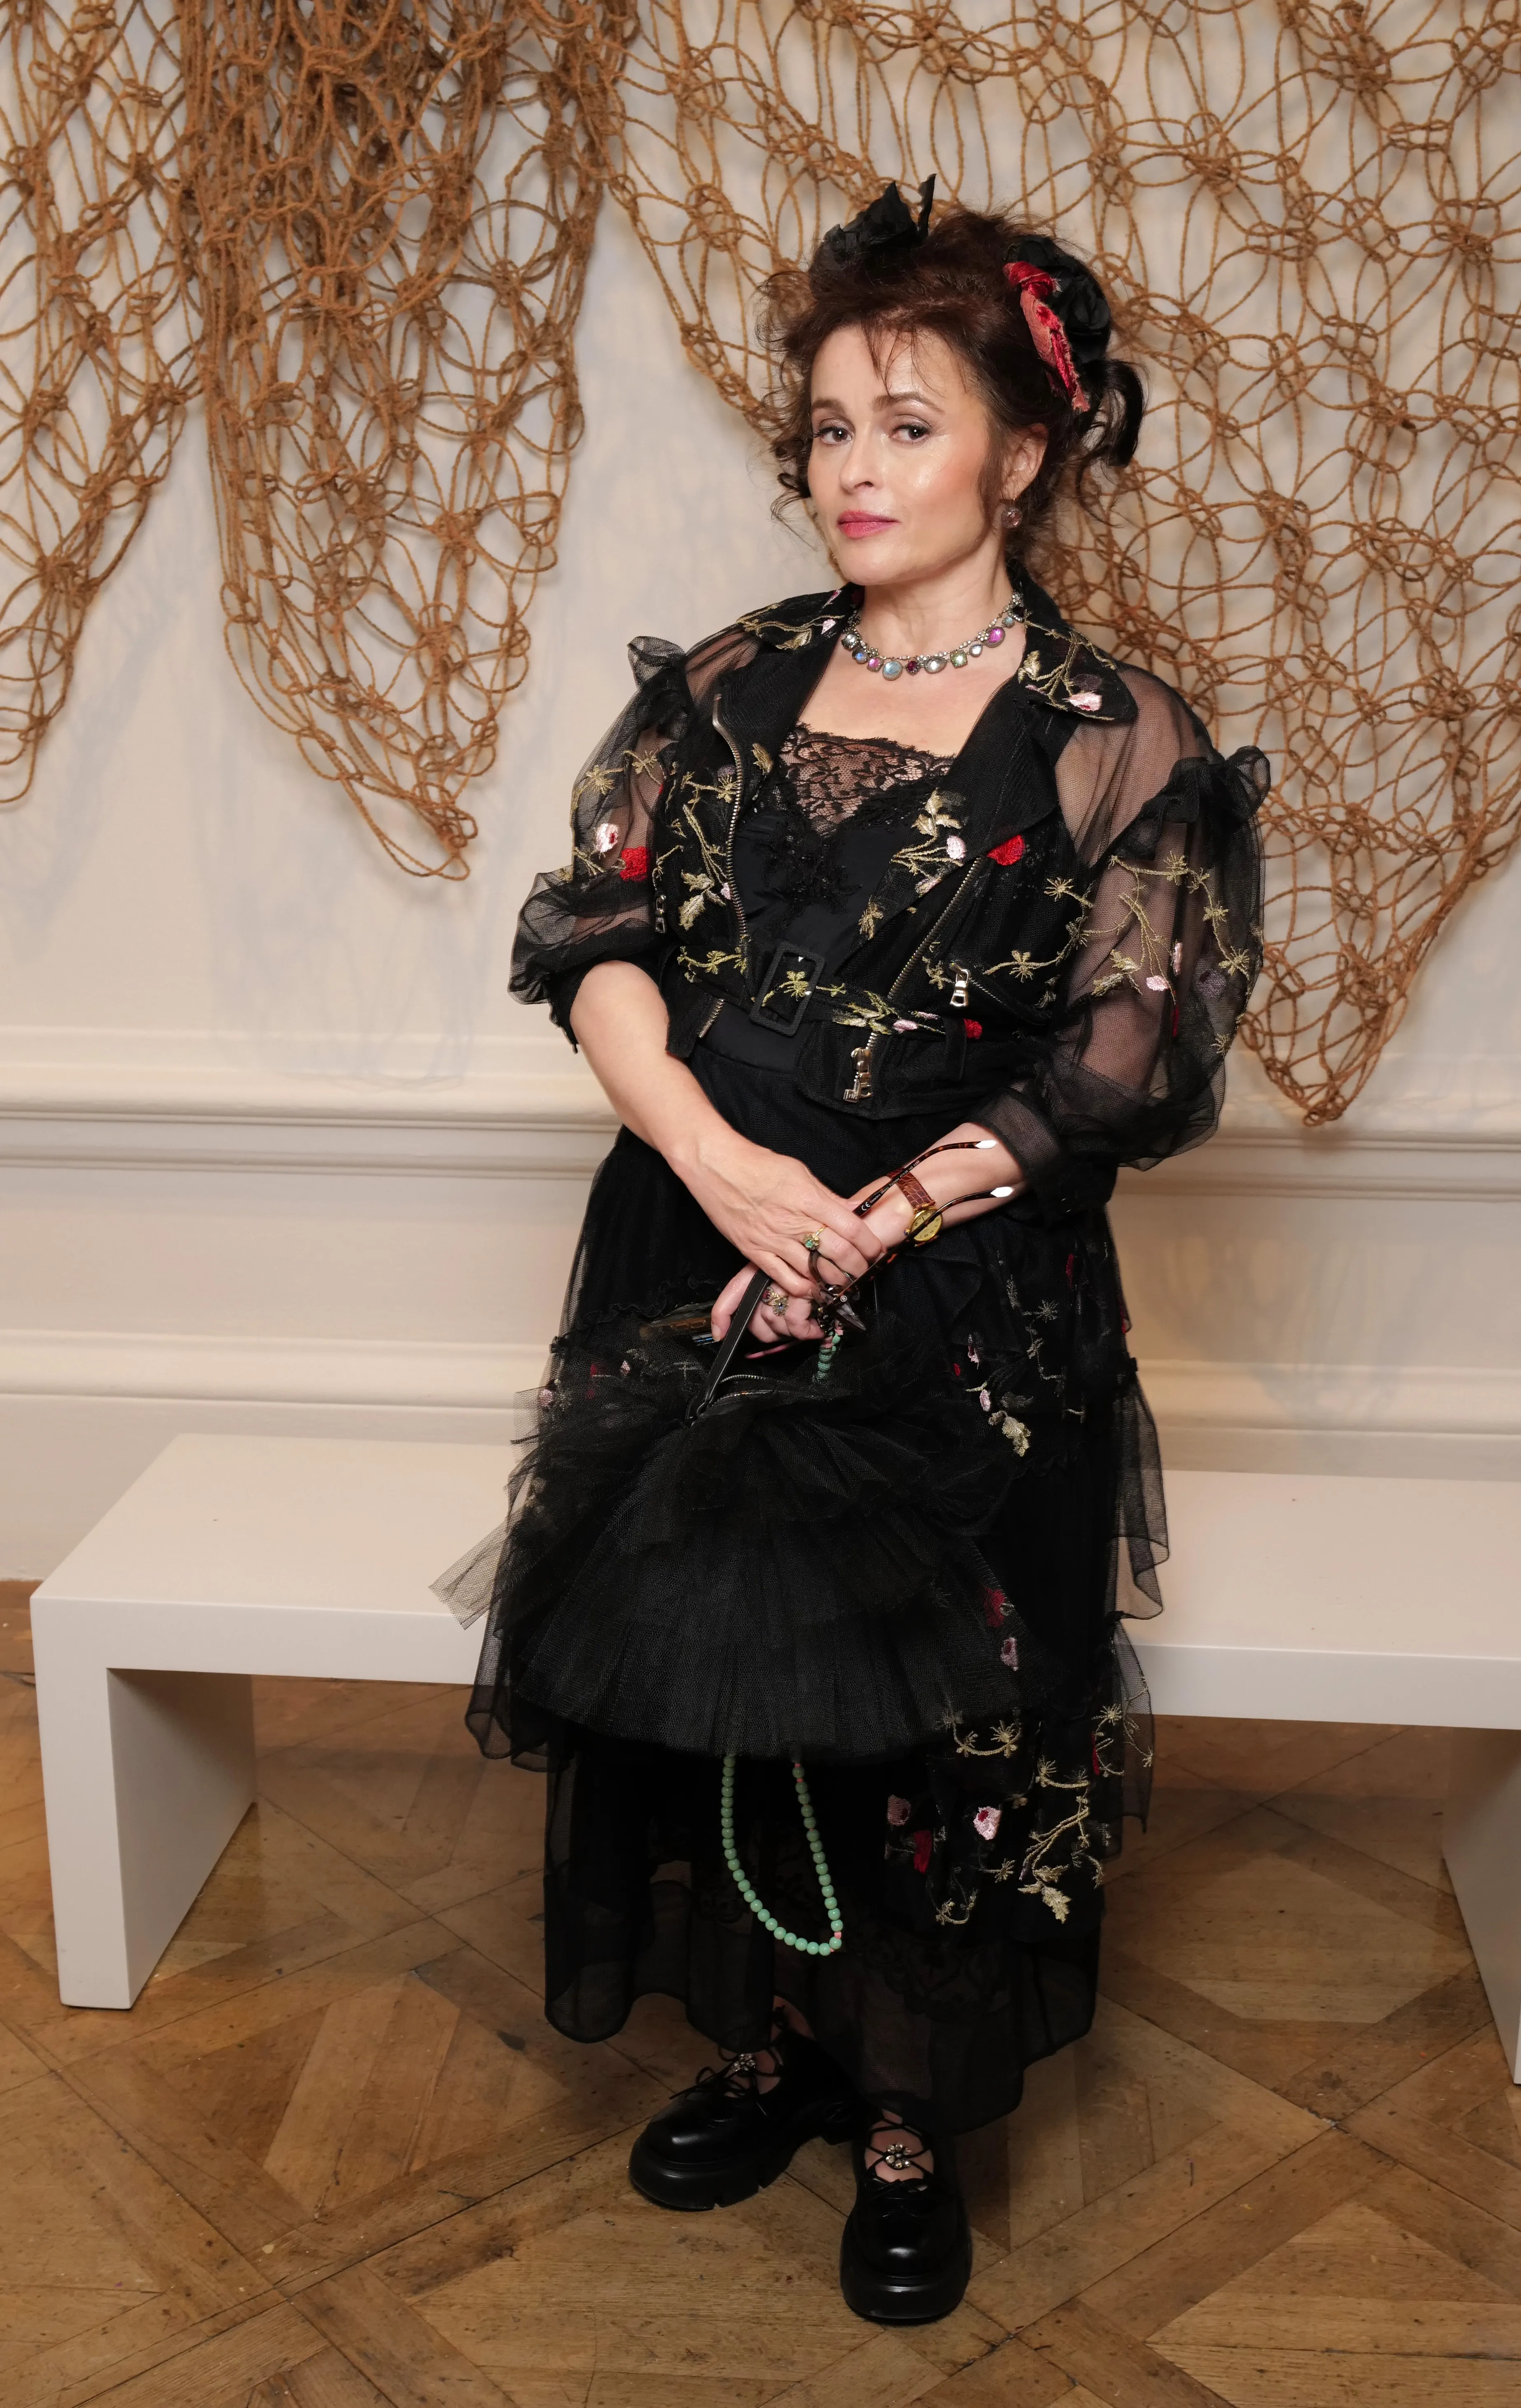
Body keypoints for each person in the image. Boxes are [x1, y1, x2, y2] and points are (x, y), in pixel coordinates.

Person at [457, 182, 1266, 2325]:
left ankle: (909, 2113)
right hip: (700, 1239)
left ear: (1022, 451)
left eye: (905, 424)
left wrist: (875, 1220)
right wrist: (726, 1173)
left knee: (945, 1714)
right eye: (826, 428)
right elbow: (596, 942)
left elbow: (1126, 1061)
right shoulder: (726, 689)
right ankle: (772, 2049)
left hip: (963, 1296)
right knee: (722, 1677)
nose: (855, 470)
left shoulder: (1121, 736)